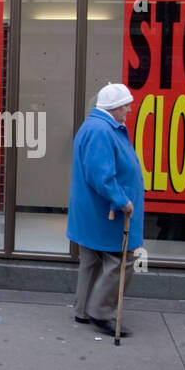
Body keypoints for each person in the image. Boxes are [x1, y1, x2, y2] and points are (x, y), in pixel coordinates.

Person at [68, 83, 144, 338]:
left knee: (91, 260)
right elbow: (101, 175)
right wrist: (122, 200)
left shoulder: (96, 126)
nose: (129, 109)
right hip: (105, 211)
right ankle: (100, 311)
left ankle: (83, 309)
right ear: (114, 107)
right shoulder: (102, 130)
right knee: (121, 260)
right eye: (125, 105)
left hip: (92, 210)